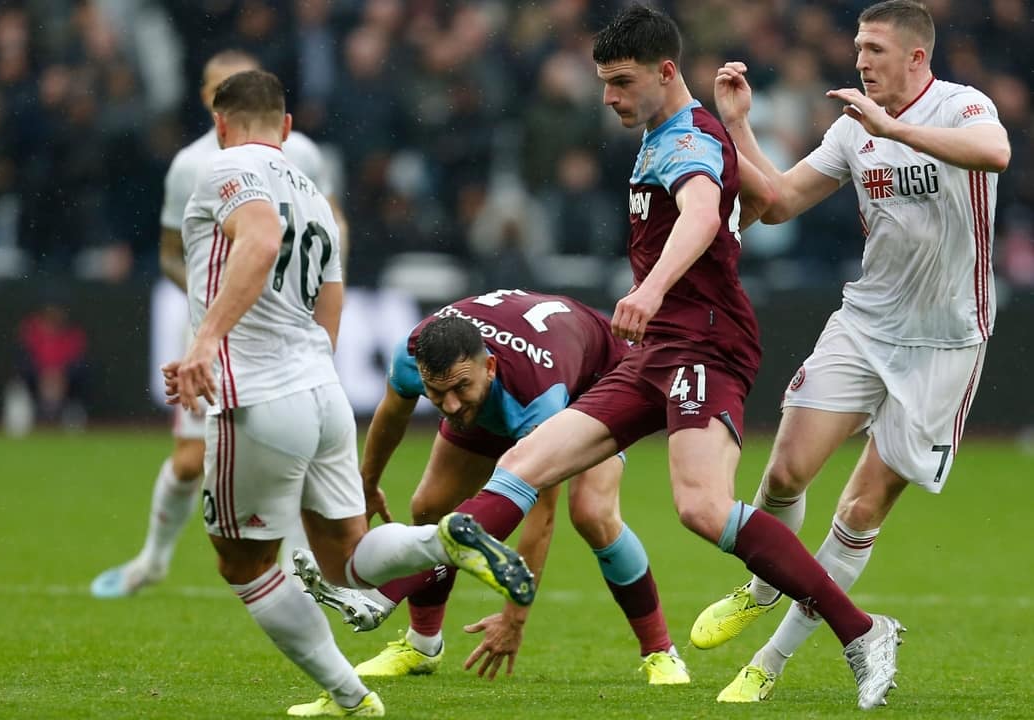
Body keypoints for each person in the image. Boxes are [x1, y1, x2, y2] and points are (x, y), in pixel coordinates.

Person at [380, 5, 905, 711]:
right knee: (522, 464)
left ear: (665, 71)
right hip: (658, 349)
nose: (609, 97)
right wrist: (740, 131)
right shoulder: (680, 133)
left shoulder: (686, 138)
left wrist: (652, 288)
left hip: (704, 344)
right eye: (603, 82)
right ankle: (390, 588)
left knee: (701, 507)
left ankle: (863, 630)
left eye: (621, 82)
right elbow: (770, 201)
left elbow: (696, 214)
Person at [164, 69, 533, 717]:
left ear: (221, 124)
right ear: (286, 126)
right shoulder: (313, 192)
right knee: (346, 561)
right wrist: (308, 372)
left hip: (255, 395)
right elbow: (329, 294)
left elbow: (258, 240)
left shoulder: (221, 168)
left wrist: (202, 345)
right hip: (321, 392)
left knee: (242, 564)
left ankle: (350, 696)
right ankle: (447, 539)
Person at [691, 0, 1009, 703]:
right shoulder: (852, 127)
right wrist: (739, 125)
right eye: (858, 47)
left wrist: (895, 129)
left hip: (946, 341)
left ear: (916, 58)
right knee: (783, 473)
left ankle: (769, 664)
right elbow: (774, 203)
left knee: (860, 512)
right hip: (865, 323)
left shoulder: (963, 106)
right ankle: (762, 586)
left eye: (874, 49)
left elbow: (997, 155)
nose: (860, 60)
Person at [296, 289, 689, 684]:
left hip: (595, 378)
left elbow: (541, 516)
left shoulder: (537, 399)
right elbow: (392, 415)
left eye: (459, 389)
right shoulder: (412, 355)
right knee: (430, 507)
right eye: (437, 393)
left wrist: (513, 618)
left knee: (592, 514)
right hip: (507, 385)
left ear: (490, 367)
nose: (449, 405)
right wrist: (368, 485)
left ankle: (660, 651)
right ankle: (422, 644)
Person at [91, 50, 338, 599]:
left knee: (294, 447)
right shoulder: (191, 166)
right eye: (218, 84)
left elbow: (329, 224)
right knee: (187, 462)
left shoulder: (303, 156)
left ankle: (303, 576)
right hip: (213, 328)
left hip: (285, 335)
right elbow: (171, 253)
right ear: (208, 98)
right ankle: (153, 560)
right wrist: (220, 307)